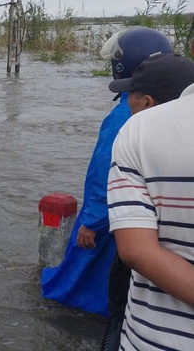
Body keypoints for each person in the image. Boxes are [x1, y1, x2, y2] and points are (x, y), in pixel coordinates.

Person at [40, 26, 172, 316]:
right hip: (151, 220)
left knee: (80, 276)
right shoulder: (172, 109)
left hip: (113, 220)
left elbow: (104, 173)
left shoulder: (126, 115)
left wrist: (91, 221)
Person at [99, 52, 194, 350]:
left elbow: (137, 252)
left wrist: (88, 222)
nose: (127, 102)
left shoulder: (137, 131)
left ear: (148, 102)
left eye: (131, 96)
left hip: (150, 337)